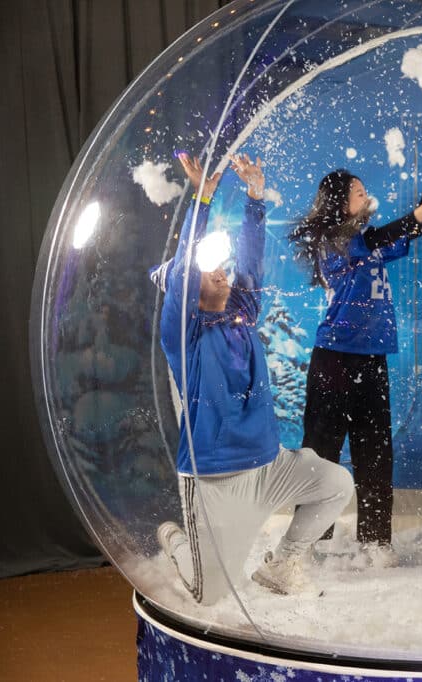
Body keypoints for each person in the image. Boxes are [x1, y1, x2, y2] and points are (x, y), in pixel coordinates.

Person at [153, 152, 354, 603]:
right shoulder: (183, 338)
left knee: (337, 484)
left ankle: (282, 566)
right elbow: (185, 269)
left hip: (270, 465)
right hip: (216, 480)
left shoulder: (242, 313)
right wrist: (202, 198)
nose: (220, 272)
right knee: (209, 595)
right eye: (208, 272)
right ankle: (176, 540)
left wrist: (255, 197)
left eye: (220, 267)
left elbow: (253, 259)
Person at [288, 150, 422, 560]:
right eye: (359, 193)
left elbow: (404, 235)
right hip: (334, 361)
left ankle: (376, 542)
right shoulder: (334, 241)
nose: (367, 197)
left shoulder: (369, 240)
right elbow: (382, 237)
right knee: (321, 453)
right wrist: (421, 211)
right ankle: (306, 543)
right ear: (340, 202)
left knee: (375, 452)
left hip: (370, 360)